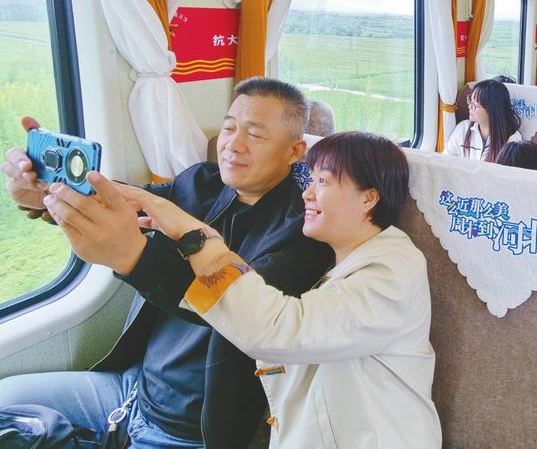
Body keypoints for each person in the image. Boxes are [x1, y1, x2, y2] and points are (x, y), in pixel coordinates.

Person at [0, 78, 334, 449]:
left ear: (294, 151)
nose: (233, 144)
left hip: (188, 428)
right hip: (130, 391)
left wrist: (134, 257)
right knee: (6, 398)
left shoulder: (305, 233)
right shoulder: (201, 183)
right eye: (229, 128)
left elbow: (240, 309)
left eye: (255, 135)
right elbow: (124, 201)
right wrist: (48, 194)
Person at [77, 132, 439, 448]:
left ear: (368, 199)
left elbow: (279, 330)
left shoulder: (391, 271)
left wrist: (191, 236)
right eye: (310, 179)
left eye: (323, 182)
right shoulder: (338, 263)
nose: (307, 193)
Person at [446, 79, 521, 162]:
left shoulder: (513, 139)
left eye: (475, 105)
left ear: (492, 110)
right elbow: (445, 160)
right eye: (470, 101)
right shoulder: (463, 129)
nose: (469, 107)